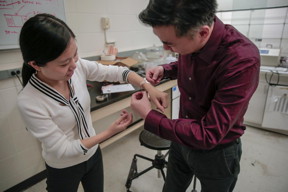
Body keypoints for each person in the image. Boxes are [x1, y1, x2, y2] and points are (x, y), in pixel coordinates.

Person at [17, 13, 167, 192]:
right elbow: (62, 150)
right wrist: (110, 132)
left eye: (75, 55)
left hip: (93, 155)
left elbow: (118, 73)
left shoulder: (77, 67)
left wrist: (147, 85)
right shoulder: (29, 101)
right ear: (35, 64)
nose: (73, 65)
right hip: (63, 167)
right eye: (64, 63)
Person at [130, 0, 260, 192]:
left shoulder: (242, 60)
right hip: (181, 138)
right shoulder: (193, 38)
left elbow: (208, 134)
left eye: (169, 43)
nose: (166, 48)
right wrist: (165, 69)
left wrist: (150, 117)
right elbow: (192, 62)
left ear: (203, 33)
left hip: (217, 153)